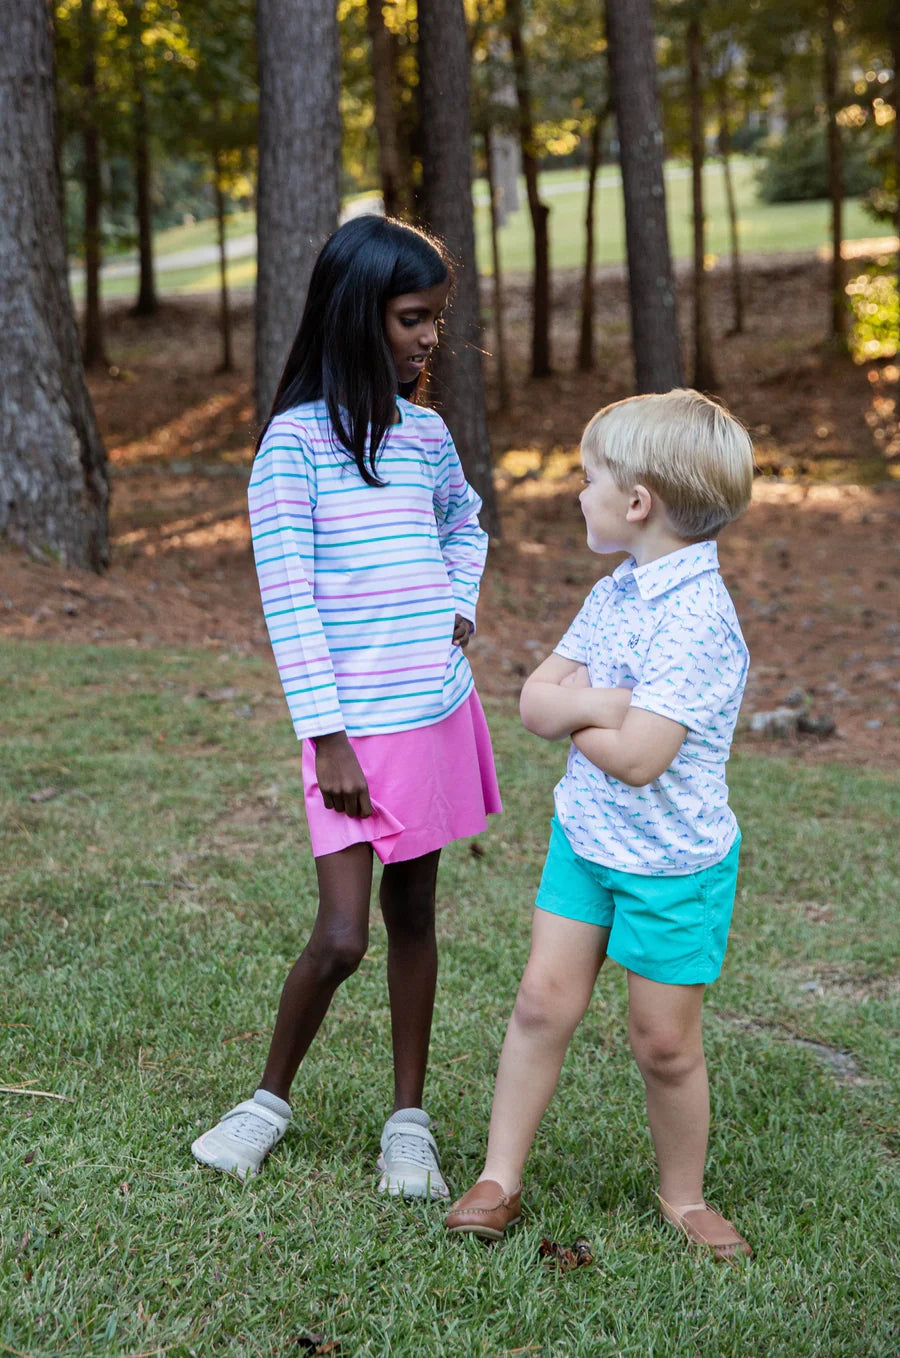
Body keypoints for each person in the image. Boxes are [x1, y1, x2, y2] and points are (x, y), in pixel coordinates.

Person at [192, 217, 500, 1197]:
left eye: (436, 320)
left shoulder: (425, 436)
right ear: (355, 313)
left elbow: (468, 519)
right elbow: (288, 596)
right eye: (412, 318)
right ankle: (266, 1101)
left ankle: (407, 1123)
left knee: (415, 912)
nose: (428, 338)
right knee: (342, 934)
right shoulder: (293, 446)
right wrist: (325, 735)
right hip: (350, 733)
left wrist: (460, 599)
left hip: (434, 711)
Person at [445, 389, 755, 1259]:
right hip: (585, 841)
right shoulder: (616, 592)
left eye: (588, 480)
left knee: (663, 1043)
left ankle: (683, 1196)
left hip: (673, 866)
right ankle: (499, 1177)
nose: (577, 495)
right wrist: (612, 704)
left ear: (637, 503)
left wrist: (584, 712)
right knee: (542, 1003)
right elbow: (532, 703)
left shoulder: (699, 619)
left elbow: (640, 758)